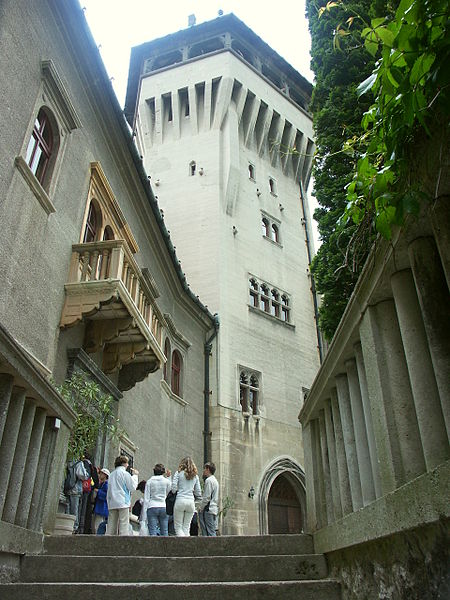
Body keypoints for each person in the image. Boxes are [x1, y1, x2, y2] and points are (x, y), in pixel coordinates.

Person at [106, 455, 138, 535]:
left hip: (112, 502)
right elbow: (132, 487)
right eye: (127, 463)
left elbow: (109, 490)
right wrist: (135, 476)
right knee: (123, 525)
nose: (127, 465)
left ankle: (107, 542)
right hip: (123, 501)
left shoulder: (111, 475)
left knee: (111, 526)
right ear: (123, 463)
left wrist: (108, 502)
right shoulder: (125, 474)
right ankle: (123, 542)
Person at [171, 457, 201, 536]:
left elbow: (173, 489)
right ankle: (187, 545)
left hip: (180, 500)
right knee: (186, 527)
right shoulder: (195, 476)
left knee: (178, 527)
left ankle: (181, 545)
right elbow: (198, 492)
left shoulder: (178, 473)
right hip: (191, 502)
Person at [144, 463, 171, 536]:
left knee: (152, 530)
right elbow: (169, 492)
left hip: (152, 505)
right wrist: (169, 478)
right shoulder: (166, 481)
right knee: (164, 530)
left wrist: (143, 514)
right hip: (163, 506)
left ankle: (153, 546)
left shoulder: (149, 481)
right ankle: (165, 546)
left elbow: (146, 498)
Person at [65, 458, 89, 533]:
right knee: (74, 510)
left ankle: (67, 526)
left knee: (68, 509)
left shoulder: (68, 461)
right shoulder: (78, 463)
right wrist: (87, 474)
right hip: (75, 489)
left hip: (68, 487)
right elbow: (83, 475)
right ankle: (73, 529)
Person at [78, 451, 99, 534]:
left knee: (81, 508)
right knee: (85, 508)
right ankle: (83, 528)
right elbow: (96, 481)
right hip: (88, 489)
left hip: (82, 488)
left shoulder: (84, 464)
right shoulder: (92, 467)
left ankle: (80, 527)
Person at [198, 462, 219, 536]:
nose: (203, 471)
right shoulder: (215, 480)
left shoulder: (209, 480)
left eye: (205, 469)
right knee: (211, 530)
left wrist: (201, 507)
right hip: (213, 509)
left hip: (208, 509)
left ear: (208, 469)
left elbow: (207, 497)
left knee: (207, 531)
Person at [93, 467, 109, 534]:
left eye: (101, 473)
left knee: (98, 525)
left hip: (102, 507)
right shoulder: (102, 484)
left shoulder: (106, 485)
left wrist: (98, 491)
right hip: (100, 507)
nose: (100, 475)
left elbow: (107, 496)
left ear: (105, 475)